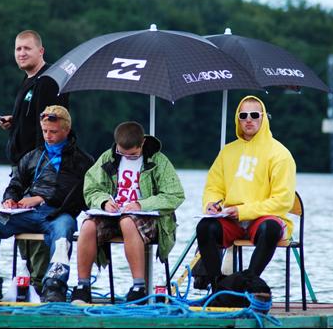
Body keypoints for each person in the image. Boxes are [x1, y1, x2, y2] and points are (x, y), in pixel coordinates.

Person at [0, 106, 93, 302]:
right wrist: (10, 199)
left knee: (65, 229)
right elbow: (16, 183)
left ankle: (54, 285)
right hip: (27, 214)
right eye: (45, 131)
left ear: (66, 130)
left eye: (53, 132)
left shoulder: (82, 160)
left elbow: (75, 194)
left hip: (58, 215)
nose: (48, 136)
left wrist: (40, 199)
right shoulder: (32, 156)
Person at [71, 121, 185, 304]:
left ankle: (138, 288)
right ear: (116, 145)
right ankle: (82, 287)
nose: (127, 157)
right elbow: (91, 188)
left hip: (148, 218)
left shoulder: (158, 160)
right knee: (88, 226)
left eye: (132, 155)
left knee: (127, 222)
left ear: (142, 144)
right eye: (122, 153)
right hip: (112, 215)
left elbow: (175, 195)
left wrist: (141, 205)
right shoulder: (108, 157)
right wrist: (104, 202)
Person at [195, 95, 296, 291]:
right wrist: (211, 204)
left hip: (263, 218)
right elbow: (214, 186)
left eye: (254, 114)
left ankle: (247, 282)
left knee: (271, 229)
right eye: (243, 115)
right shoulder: (227, 151)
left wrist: (243, 211)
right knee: (205, 227)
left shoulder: (280, 154)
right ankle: (218, 287)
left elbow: (283, 201)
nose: (248, 119)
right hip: (232, 220)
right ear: (237, 119)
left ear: (263, 117)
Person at [0, 30, 69, 293]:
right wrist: (14, 123)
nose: (22, 53)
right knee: (22, 227)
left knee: (37, 226)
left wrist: (42, 169)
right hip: (22, 168)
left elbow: (53, 125)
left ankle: (41, 284)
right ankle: (32, 282)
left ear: (41, 51)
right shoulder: (28, 80)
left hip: (41, 169)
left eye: (27, 48)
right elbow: (34, 119)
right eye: (18, 49)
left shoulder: (48, 81)